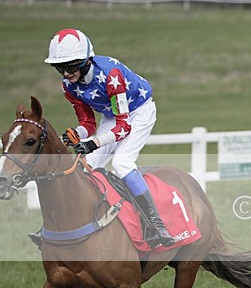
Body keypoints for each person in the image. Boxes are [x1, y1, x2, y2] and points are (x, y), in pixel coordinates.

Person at [44, 28, 175, 247]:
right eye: (60, 68)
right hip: (112, 116)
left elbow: (123, 128)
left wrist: (93, 143)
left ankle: (155, 224)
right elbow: (88, 123)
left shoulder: (111, 76)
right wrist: (75, 135)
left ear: (86, 60)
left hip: (138, 112)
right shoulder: (68, 86)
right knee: (83, 167)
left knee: (122, 163)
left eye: (71, 66)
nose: (66, 73)